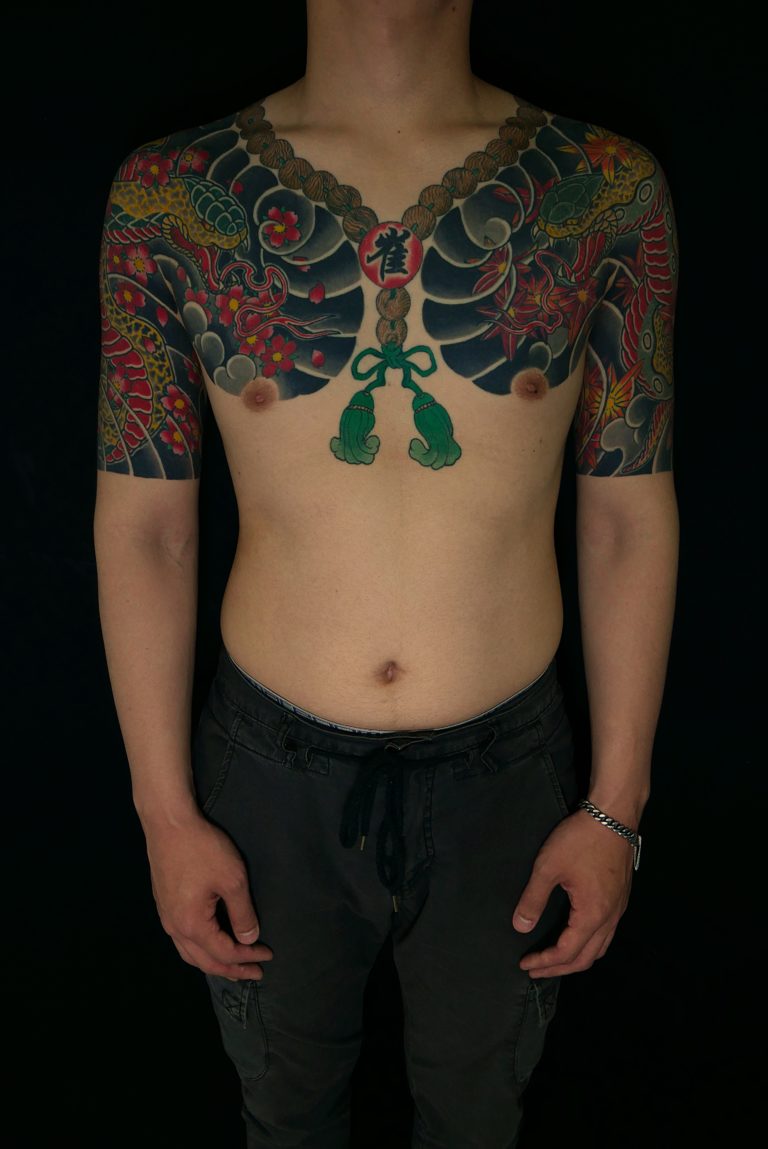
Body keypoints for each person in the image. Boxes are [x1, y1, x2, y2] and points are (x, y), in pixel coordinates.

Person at [93, 1, 679, 1144]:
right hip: (265, 777)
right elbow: (146, 524)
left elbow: (627, 512)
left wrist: (619, 806)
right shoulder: (168, 195)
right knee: (286, 1116)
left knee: (480, 1118)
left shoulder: (608, 188)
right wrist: (164, 812)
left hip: (510, 774)